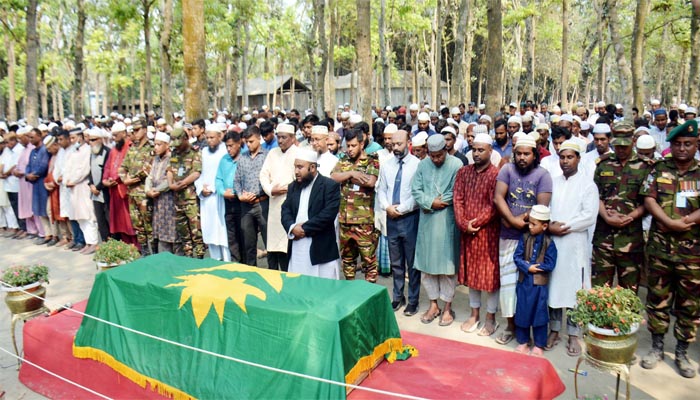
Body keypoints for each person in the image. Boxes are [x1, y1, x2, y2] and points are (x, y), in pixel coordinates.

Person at [640, 119, 700, 378]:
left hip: (692, 252)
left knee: (689, 303)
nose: (683, 148)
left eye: (688, 144)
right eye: (677, 144)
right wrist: (667, 222)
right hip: (660, 248)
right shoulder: (658, 168)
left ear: (696, 144)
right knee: (657, 299)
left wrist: (687, 221)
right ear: (671, 145)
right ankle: (656, 347)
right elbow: (649, 198)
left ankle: (683, 352)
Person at [494, 135, 552, 345]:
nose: (522, 157)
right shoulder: (507, 170)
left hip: (533, 239)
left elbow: (541, 208)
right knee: (508, 284)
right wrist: (510, 220)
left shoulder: (543, 175)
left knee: (530, 287)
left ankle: (531, 331)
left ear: (534, 155)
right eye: (518, 153)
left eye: (526, 153)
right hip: (508, 237)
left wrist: (520, 221)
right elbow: (498, 197)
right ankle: (511, 327)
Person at [546, 140, 598, 357]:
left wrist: (564, 227)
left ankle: (574, 334)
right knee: (554, 288)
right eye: (562, 157)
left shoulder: (587, 184)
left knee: (575, 289)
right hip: (554, 242)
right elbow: (545, 207)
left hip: (575, 243)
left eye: (570, 157)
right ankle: (554, 330)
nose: (565, 161)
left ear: (578, 158)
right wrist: (549, 226)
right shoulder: (552, 182)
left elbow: (589, 215)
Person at [592, 121, 651, 292]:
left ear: (633, 142)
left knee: (629, 291)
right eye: (618, 146)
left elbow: (648, 200)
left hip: (630, 238)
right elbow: (594, 195)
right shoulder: (603, 165)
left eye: (625, 146)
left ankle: (629, 320)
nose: (621, 150)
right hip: (604, 238)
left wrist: (630, 216)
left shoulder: (645, 166)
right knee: (600, 291)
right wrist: (606, 216)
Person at [411, 134, 462, 326]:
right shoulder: (423, 165)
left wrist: (441, 202)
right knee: (427, 267)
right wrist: (431, 202)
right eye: (432, 155)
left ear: (446, 151)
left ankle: (447, 307)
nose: (435, 159)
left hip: (447, 220)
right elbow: (415, 189)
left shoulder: (456, 164)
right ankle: (433, 304)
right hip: (427, 220)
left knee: (447, 268)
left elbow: (455, 190)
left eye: (439, 155)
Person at [453, 133, 501, 336]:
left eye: (481, 150)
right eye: (474, 149)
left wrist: (476, 223)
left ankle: (490, 318)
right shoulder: (463, 172)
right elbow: (457, 199)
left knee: (489, 277)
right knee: (472, 275)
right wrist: (463, 223)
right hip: (467, 232)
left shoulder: (496, 174)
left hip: (488, 233)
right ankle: (474, 315)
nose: (477, 153)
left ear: (491, 151)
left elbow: (494, 204)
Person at [377, 130, 421, 316]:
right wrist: (387, 207)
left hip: (409, 218)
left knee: (411, 263)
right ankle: (397, 296)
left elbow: (417, 194)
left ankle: (413, 300)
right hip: (391, 217)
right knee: (396, 262)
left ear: (408, 142)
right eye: (393, 144)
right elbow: (381, 190)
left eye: (399, 144)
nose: (395, 147)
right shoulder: (387, 165)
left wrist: (400, 209)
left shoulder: (418, 165)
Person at [281, 148, 341, 278]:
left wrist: (303, 229)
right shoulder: (293, 187)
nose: (296, 171)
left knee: (323, 290)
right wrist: (292, 228)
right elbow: (285, 210)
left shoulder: (329, 185)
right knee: (298, 287)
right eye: (295, 167)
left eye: (300, 167)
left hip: (321, 248)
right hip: (297, 246)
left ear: (312, 167)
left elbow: (328, 215)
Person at [331, 129, 380, 282]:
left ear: (361, 143)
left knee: (369, 262)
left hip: (363, 222)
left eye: (353, 146)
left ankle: (369, 294)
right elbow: (333, 177)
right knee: (347, 260)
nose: (349, 149)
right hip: (345, 221)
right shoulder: (344, 159)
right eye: (348, 146)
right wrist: (352, 174)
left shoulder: (372, 159)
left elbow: (370, 182)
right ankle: (351, 292)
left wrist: (344, 178)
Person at [513, 205, 557, 356]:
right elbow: (517, 257)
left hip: (539, 286)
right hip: (524, 283)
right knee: (522, 312)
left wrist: (537, 268)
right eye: (529, 223)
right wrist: (527, 267)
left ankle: (539, 344)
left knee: (539, 314)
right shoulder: (524, 238)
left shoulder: (549, 243)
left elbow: (551, 264)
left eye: (534, 224)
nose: (530, 227)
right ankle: (523, 342)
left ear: (544, 226)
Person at [259, 122, 298, 271]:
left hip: (291, 204)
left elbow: (301, 179)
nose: (280, 140)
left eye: (284, 137)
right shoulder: (272, 153)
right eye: (278, 137)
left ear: (293, 138)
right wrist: (270, 190)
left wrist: (287, 189)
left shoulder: (298, 153)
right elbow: (263, 175)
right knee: (273, 246)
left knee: (287, 247)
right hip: (273, 203)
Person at [167, 127, 205, 258]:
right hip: (177, 199)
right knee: (183, 231)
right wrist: (171, 184)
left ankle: (199, 257)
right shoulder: (174, 153)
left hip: (191, 199)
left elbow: (196, 172)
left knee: (196, 231)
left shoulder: (195, 152)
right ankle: (188, 257)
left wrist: (183, 183)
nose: (177, 147)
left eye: (179, 143)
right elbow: (170, 170)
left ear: (185, 139)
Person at [234, 126, 268, 266]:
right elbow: (236, 180)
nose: (248, 145)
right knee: (249, 244)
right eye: (246, 142)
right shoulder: (243, 157)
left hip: (262, 203)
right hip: (246, 205)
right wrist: (240, 195)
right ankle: (252, 274)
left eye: (251, 141)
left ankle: (273, 273)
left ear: (259, 138)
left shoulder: (267, 156)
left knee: (269, 242)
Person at [121, 119, 155, 255]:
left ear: (145, 129)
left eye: (137, 130)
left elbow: (148, 169)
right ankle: (144, 251)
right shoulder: (132, 148)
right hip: (132, 193)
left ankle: (155, 253)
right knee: (138, 225)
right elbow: (123, 167)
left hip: (144, 193)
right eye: (133, 130)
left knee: (149, 225)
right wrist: (125, 179)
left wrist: (132, 179)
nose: (134, 133)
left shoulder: (151, 147)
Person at [63, 128, 100, 255]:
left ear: (80, 137)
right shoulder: (73, 152)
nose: (72, 141)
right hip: (73, 189)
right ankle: (88, 243)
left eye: (73, 138)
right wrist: (67, 181)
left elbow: (84, 170)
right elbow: (67, 169)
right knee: (79, 217)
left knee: (87, 215)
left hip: (82, 186)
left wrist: (73, 180)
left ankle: (94, 243)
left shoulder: (87, 150)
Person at [197, 123, 230, 261]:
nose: (209, 140)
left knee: (223, 232)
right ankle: (214, 261)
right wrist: (201, 189)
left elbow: (227, 174)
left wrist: (216, 188)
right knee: (209, 230)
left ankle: (227, 262)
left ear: (219, 136)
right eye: (207, 137)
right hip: (207, 199)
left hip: (221, 197)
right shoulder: (203, 152)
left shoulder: (225, 152)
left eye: (212, 137)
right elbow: (198, 174)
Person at [102, 122, 137, 246]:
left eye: (116, 135)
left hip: (125, 189)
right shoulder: (113, 150)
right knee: (119, 221)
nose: (114, 138)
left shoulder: (131, 147)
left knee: (129, 221)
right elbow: (107, 167)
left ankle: (135, 246)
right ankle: (125, 245)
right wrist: (105, 180)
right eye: (113, 135)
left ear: (123, 133)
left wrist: (116, 179)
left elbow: (130, 168)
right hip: (114, 190)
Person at [146, 132, 177, 253]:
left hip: (168, 200)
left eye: (159, 144)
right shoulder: (156, 160)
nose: (156, 147)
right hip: (157, 201)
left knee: (172, 234)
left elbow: (170, 180)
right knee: (161, 235)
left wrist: (157, 189)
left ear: (167, 145)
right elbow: (150, 176)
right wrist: (148, 190)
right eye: (155, 144)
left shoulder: (172, 158)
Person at [216, 130, 243, 262]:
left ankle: (247, 265)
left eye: (231, 145)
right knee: (231, 236)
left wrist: (236, 192)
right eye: (226, 146)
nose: (228, 149)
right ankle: (235, 263)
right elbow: (218, 179)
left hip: (242, 202)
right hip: (228, 202)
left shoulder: (245, 157)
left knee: (244, 235)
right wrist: (222, 192)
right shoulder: (224, 160)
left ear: (239, 144)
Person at [24, 128, 51, 244]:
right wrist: (27, 175)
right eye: (29, 137)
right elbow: (28, 166)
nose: (30, 139)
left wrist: (34, 174)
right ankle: (46, 234)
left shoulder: (44, 150)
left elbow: (43, 166)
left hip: (43, 182)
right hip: (35, 184)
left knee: (47, 209)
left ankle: (53, 235)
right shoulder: (33, 151)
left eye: (32, 137)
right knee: (39, 210)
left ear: (40, 136)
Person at [87, 128, 111, 242]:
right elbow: (90, 171)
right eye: (90, 140)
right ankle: (106, 244)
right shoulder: (91, 153)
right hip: (95, 193)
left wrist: (98, 187)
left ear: (100, 140)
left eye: (94, 140)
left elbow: (107, 174)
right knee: (100, 221)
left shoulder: (108, 152)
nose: (91, 143)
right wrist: (91, 184)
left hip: (105, 193)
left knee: (109, 220)